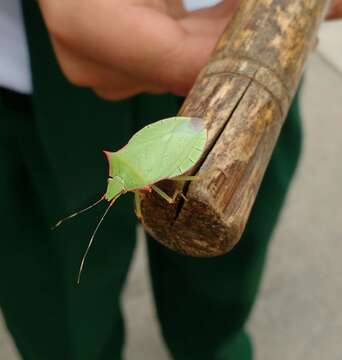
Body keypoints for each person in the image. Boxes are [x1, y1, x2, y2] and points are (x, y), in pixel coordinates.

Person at [0, 1, 340, 359]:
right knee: (58, 293)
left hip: (243, 29)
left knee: (225, 249)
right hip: (27, 76)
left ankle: (216, 345)